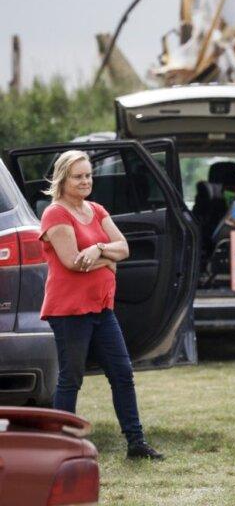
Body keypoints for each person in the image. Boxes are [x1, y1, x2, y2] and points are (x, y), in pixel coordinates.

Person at [37, 150, 163, 460]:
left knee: (122, 372)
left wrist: (98, 249)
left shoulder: (96, 209)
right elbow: (72, 262)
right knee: (71, 377)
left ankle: (136, 443)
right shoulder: (56, 213)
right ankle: (62, 446)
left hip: (101, 308)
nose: (85, 181)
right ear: (63, 179)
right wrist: (109, 262)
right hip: (69, 310)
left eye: (88, 175)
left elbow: (125, 248)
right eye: (78, 176)